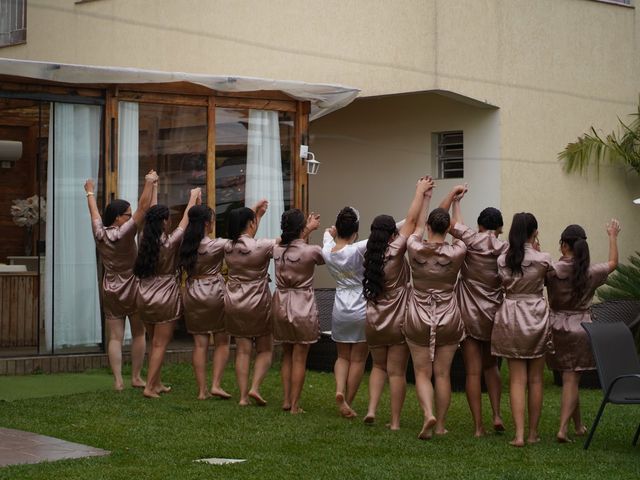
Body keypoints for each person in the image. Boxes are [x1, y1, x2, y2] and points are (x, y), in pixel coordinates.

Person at [361, 176, 434, 430]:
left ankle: (371, 410)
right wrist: (420, 191)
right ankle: (394, 422)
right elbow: (413, 221)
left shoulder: (369, 255)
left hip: (373, 319)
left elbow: (412, 221)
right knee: (396, 372)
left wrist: (423, 197)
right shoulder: (395, 249)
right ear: (393, 232)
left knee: (377, 367)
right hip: (398, 318)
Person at [439, 185, 506, 437]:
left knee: (473, 371)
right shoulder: (505, 247)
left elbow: (442, 219)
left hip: (468, 313)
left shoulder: (471, 238)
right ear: (499, 228)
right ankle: (497, 415)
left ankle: (478, 426)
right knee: (492, 367)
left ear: (478, 226)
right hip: (493, 315)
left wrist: (454, 199)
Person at [546, 220, 620, 443]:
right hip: (580, 328)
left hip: (556, 326)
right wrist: (612, 236)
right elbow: (613, 263)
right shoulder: (591, 271)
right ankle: (562, 429)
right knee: (572, 378)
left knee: (570, 376)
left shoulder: (552, 270)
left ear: (564, 246)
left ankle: (577, 425)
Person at [84, 170, 157, 391]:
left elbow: (94, 214)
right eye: (127, 214)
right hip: (132, 284)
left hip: (110, 286)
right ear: (118, 218)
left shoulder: (100, 233)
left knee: (115, 337)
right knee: (138, 332)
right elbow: (144, 208)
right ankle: (135, 377)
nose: (131, 215)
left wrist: (89, 193)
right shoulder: (125, 232)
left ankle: (118, 381)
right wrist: (149, 182)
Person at [404, 201, 466, 440]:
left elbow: (416, 228)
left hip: (418, 313)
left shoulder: (415, 247)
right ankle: (440, 425)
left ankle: (428, 413)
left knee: (421, 372)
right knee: (442, 374)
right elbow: (460, 230)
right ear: (447, 228)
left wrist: (425, 197)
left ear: (429, 226)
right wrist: (457, 203)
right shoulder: (457, 251)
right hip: (448, 314)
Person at [492, 212, 552, 447]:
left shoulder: (502, 260)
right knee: (536, 380)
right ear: (534, 232)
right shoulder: (544, 259)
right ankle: (533, 433)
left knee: (517, 380)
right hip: (536, 314)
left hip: (511, 315)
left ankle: (518, 435)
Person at [134, 187, 200, 399]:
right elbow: (185, 222)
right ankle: (149, 387)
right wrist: (192, 197)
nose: (170, 221)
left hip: (144, 296)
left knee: (154, 341)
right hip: (165, 297)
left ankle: (157, 382)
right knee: (160, 344)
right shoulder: (169, 243)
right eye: (167, 219)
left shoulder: (143, 239)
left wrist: (155, 186)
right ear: (163, 222)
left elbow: (155, 213)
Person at [272, 209, 323, 414]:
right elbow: (325, 257)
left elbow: (289, 244)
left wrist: (305, 229)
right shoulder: (311, 251)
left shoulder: (276, 250)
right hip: (302, 303)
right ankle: (294, 405)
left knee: (286, 353)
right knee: (300, 356)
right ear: (301, 228)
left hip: (281, 303)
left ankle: (286, 400)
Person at [178, 204, 231, 400]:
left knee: (200, 344)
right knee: (222, 340)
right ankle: (216, 384)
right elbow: (243, 245)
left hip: (192, 292)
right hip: (214, 292)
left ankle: (202, 390)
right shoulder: (216, 244)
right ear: (207, 224)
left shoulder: (184, 244)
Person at [224, 200, 274, 406]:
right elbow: (289, 243)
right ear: (251, 224)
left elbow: (247, 239)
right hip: (258, 299)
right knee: (265, 348)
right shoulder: (263, 245)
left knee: (243, 350)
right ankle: (254, 387)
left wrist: (256, 214)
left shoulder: (227, 246)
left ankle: (243, 397)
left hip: (234, 300)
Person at [322, 207, 370, 418]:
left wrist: (329, 232)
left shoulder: (327, 251)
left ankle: (339, 389)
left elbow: (326, 236)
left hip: (340, 305)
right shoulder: (358, 249)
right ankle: (348, 401)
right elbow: (385, 231)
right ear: (355, 232)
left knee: (342, 356)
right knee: (359, 359)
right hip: (360, 304)